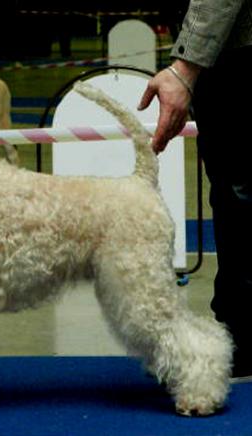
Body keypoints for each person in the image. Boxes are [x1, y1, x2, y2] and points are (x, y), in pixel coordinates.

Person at [138, 0, 252, 378]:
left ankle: (244, 334)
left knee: (239, 191)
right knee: (231, 188)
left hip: (237, 52)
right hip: (225, 50)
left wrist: (185, 67)